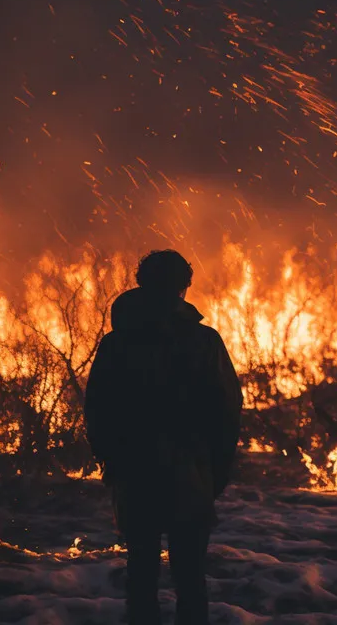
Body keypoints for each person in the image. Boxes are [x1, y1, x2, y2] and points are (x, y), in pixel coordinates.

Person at [84, 249, 243, 625]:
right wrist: (216, 471)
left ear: (142, 283)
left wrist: (110, 462)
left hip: (135, 472)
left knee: (141, 576)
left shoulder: (117, 343)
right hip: (191, 474)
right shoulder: (205, 342)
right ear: (184, 287)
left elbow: (98, 410)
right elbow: (227, 411)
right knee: (190, 578)